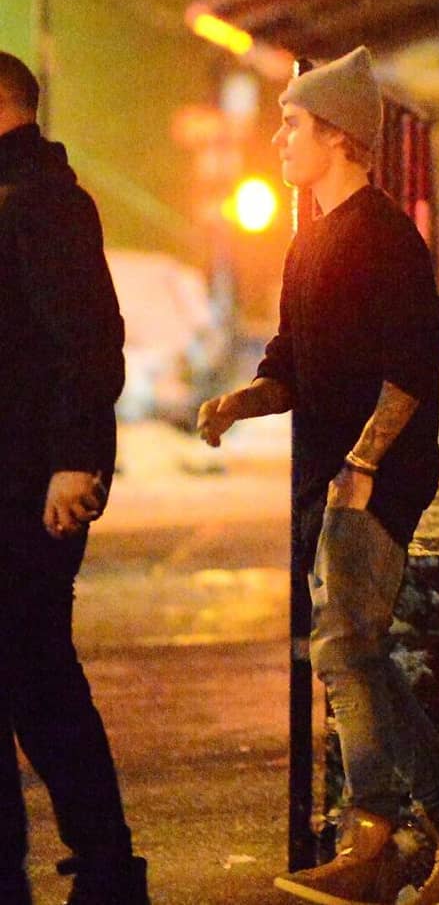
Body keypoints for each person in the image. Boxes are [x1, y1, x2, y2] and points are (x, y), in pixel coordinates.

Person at [196, 47, 439, 905]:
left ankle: (372, 837)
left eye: (293, 124)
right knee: (361, 654)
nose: (278, 140)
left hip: (371, 484)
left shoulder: (384, 237)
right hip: (328, 483)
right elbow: (292, 364)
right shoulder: (311, 242)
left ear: (338, 136)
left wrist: (365, 464)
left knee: (343, 646)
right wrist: (240, 401)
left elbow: (414, 364)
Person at [0, 53, 149, 905]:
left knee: (39, 675)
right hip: (16, 477)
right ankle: (86, 866)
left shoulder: (45, 201)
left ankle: (106, 867)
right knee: (30, 673)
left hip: (29, 486)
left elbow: (89, 341)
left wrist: (74, 459)